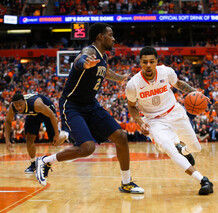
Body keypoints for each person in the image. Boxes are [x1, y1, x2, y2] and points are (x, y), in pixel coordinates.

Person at [35, 23, 144, 194]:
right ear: (100, 36)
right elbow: (80, 60)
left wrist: (121, 78)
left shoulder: (103, 57)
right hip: (72, 105)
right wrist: (84, 64)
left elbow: (106, 72)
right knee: (87, 148)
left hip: (91, 104)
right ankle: (46, 161)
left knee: (121, 137)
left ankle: (126, 183)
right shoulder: (90, 52)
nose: (114, 39)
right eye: (110, 34)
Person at [125, 46, 213, 195]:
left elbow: (178, 84)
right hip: (154, 121)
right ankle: (203, 180)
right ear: (140, 62)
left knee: (196, 148)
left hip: (174, 113)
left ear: (156, 62)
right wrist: (140, 122)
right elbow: (132, 107)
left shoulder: (166, 72)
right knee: (169, 149)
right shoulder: (133, 84)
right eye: (145, 62)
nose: (148, 65)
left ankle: (184, 150)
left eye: (151, 61)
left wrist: (195, 93)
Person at [5, 93, 67, 173]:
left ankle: (66, 134)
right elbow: (8, 121)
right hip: (33, 114)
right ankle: (33, 163)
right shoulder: (12, 107)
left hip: (46, 110)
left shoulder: (37, 104)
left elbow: (52, 115)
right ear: (13, 104)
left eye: (21, 105)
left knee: (55, 142)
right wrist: (7, 140)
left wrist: (56, 134)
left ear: (25, 101)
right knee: (29, 140)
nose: (19, 107)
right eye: (17, 106)